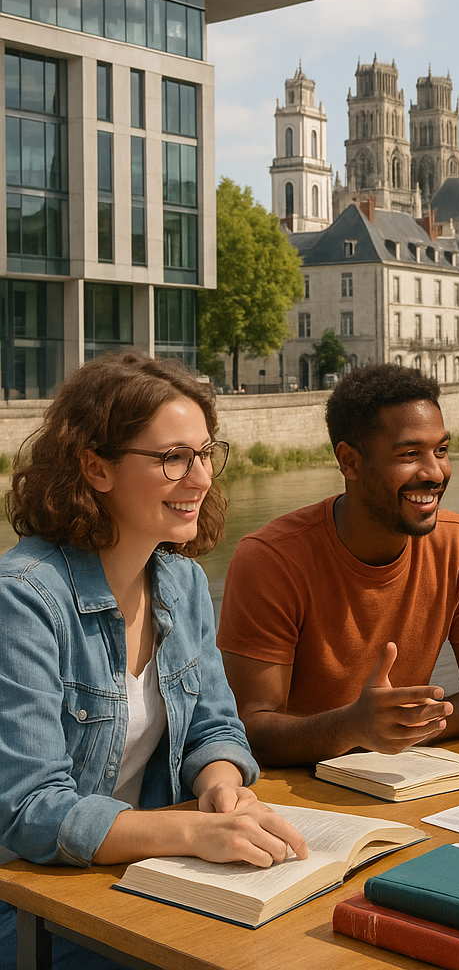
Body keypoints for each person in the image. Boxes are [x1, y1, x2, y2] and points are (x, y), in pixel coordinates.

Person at [0, 351, 306, 969]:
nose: (200, 479)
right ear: (96, 467)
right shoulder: (22, 599)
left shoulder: (182, 582)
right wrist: (194, 831)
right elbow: (30, 812)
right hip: (30, 905)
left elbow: (216, 726)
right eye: (172, 458)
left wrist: (220, 788)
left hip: (134, 881)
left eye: (204, 454)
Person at [217, 363, 459, 767]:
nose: (435, 472)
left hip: (400, 779)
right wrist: (352, 728)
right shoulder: (270, 560)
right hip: (295, 795)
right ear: (350, 462)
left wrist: (411, 727)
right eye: (410, 454)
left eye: (441, 450)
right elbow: (247, 731)